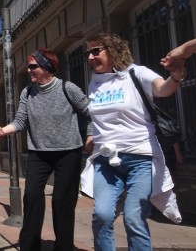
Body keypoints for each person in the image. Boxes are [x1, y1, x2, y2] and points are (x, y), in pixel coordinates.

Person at [79, 33, 184, 250]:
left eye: (96, 51)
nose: (90, 57)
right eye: (88, 52)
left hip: (140, 157)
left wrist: (174, 77)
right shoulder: (95, 84)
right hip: (106, 159)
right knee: (102, 215)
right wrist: (92, 135)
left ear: (113, 50)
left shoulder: (136, 73)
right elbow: (96, 116)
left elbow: (162, 89)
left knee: (134, 218)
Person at [0, 48, 90, 251]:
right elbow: (20, 121)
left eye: (32, 66)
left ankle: (63, 247)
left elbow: (91, 113)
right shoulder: (27, 92)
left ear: (47, 66)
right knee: (32, 196)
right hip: (38, 153)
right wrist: (3, 131)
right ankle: (29, 246)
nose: (29, 70)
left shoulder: (67, 88)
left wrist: (90, 136)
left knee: (62, 202)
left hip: (68, 152)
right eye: (28, 67)